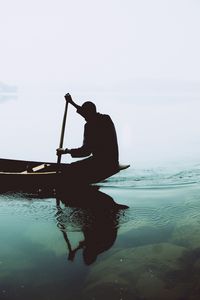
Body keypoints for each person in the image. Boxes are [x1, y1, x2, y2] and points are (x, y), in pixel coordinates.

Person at [56, 94, 119, 183]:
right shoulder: (106, 118)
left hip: (102, 163)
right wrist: (71, 102)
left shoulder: (90, 126)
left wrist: (66, 151)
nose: (84, 118)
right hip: (113, 160)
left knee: (71, 168)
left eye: (85, 116)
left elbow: (85, 152)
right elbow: (87, 113)